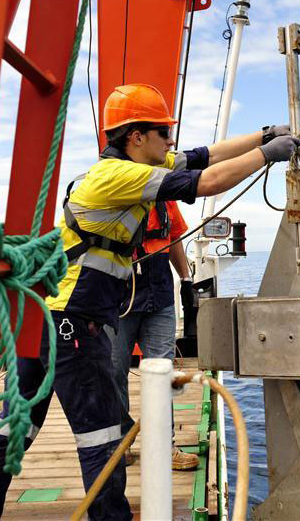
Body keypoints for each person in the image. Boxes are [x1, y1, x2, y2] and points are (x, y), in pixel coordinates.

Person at [0, 83, 300, 521]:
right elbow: (208, 180)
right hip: (72, 322)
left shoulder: (129, 164)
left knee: (14, 427)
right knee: (104, 436)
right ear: (136, 137)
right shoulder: (120, 177)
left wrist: (262, 136)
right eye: (163, 132)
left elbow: (204, 156)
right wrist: (270, 155)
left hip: (46, 315)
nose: (170, 141)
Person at [104, 200, 199, 470]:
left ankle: (164, 447)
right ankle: (121, 442)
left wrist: (186, 279)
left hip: (160, 300)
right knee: (114, 372)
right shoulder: (112, 194)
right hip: (118, 302)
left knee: (161, 373)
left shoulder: (166, 199)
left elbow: (174, 237)